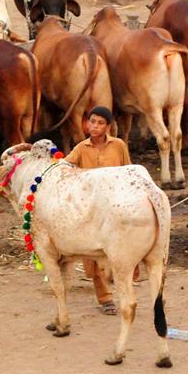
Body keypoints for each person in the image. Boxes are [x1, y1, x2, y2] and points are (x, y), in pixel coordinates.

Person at [64, 106, 132, 316]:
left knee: (120, 251)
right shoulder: (81, 148)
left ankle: (124, 291)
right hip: (90, 209)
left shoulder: (119, 146)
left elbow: (128, 171)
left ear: (108, 127)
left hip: (115, 206)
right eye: (92, 121)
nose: (94, 126)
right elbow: (64, 166)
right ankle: (105, 299)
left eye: (100, 123)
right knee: (92, 256)